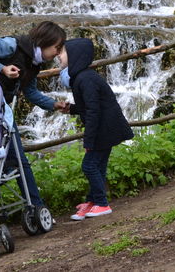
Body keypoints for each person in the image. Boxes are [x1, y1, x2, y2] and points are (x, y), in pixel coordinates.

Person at [0, 20, 69, 208]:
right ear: (44, 41)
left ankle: (35, 207)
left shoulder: (34, 64)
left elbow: (30, 92)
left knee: (19, 161)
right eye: (56, 47)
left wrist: (53, 104)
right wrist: (2, 68)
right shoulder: (11, 46)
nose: (57, 53)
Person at [57, 38, 134, 221]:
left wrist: (88, 140)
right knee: (98, 166)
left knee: (89, 165)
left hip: (104, 129)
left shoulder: (85, 79)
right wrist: (72, 109)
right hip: (105, 127)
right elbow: (88, 106)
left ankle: (102, 203)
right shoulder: (82, 77)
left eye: (62, 52)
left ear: (74, 56)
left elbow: (93, 111)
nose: (59, 56)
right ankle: (92, 201)